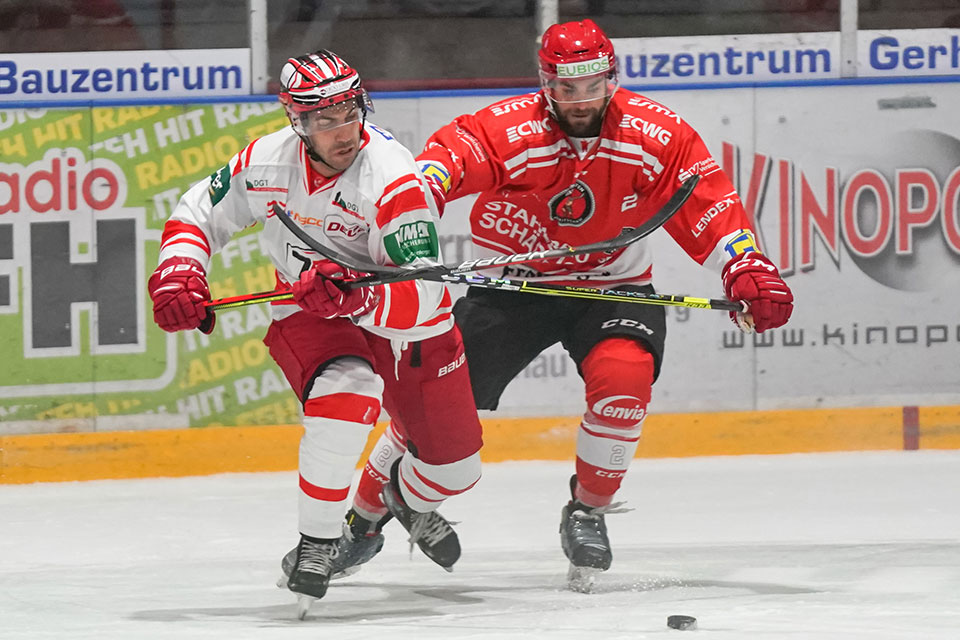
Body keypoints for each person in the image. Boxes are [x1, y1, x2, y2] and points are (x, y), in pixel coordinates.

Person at [342, 19, 794, 589]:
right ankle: (360, 522)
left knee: (625, 378)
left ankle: (588, 510)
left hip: (612, 289)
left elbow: (707, 203)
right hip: (513, 289)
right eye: (565, 88)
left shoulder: (656, 133)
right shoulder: (506, 129)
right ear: (544, 83)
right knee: (431, 412)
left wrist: (745, 265)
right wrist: (413, 204)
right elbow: (447, 161)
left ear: (612, 78)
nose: (579, 100)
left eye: (591, 86)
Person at [146, 49, 483, 611]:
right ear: (295, 120)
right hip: (311, 309)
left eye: (350, 112)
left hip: (395, 316)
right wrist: (181, 269)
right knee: (348, 394)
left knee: (455, 468)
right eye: (324, 119)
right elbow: (197, 211)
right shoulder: (266, 163)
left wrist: (360, 293)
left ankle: (390, 489)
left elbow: (427, 297)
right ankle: (320, 542)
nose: (343, 130)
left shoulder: (395, 181)